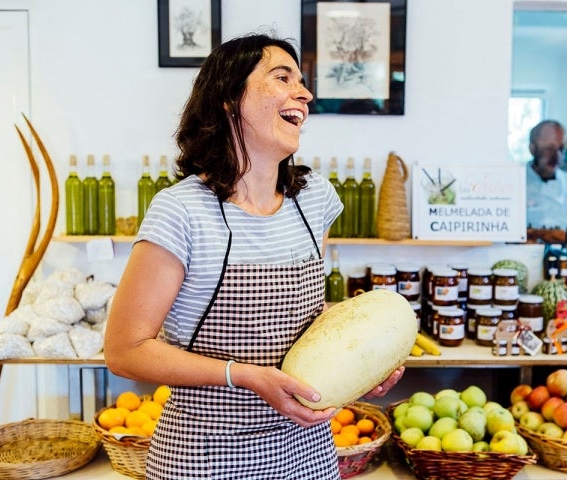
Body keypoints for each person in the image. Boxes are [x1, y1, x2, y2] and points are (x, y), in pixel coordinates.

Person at [104, 33, 404, 479]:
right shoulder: (182, 210)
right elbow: (125, 351)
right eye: (282, 77)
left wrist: (364, 359)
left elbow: (306, 316)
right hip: (205, 457)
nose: (303, 92)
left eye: (302, 82)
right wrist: (246, 375)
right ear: (229, 99)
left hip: (306, 454)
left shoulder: (315, 200)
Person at [525, 119, 567, 230]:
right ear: (532, 148)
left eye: (561, 149)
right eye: (549, 148)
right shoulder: (516, 183)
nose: (557, 156)